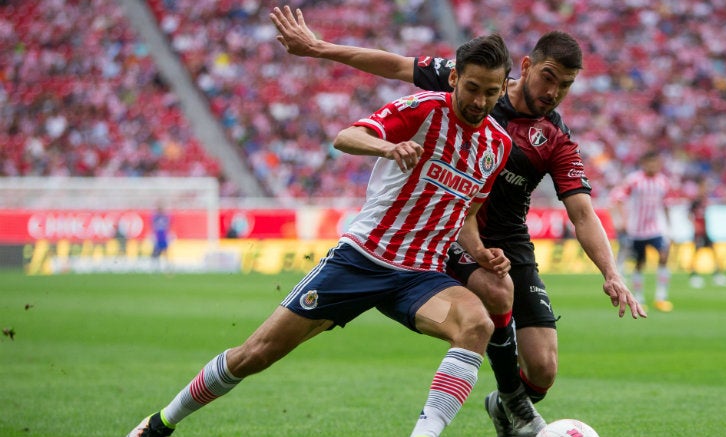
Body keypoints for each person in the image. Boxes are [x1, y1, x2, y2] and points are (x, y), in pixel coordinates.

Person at [270, 6, 646, 437]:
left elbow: (582, 213)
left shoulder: (556, 140)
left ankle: (508, 402)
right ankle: (515, 406)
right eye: (548, 77)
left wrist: (611, 272)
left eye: (566, 85)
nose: (554, 91)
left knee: (543, 368)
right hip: (449, 229)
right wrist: (318, 47)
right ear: (525, 67)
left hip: (508, 237)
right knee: (494, 289)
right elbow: (394, 64)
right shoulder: (476, 81)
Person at [128, 33, 514, 437]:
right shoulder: (422, 110)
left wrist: (481, 251)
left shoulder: (497, 144)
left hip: (421, 277)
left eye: (490, 92)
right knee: (256, 354)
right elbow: (345, 136)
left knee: (477, 325)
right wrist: (387, 148)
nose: (479, 101)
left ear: (502, 88)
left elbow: (465, 211)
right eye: (471, 88)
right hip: (362, 260)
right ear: (453, 78)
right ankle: (160, 422)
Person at [612, 150, 674, 312]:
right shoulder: (634, 180)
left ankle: (661, 297)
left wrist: (669, 228)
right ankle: (639, 297)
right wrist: (624, 220)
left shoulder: (663, 182)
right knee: (640, 263)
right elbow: (618, 199)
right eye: (650, 163)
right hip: (637, 230)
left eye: (656, 163)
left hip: (655, 229)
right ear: (644, 164)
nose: (653, 166)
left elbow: (666, 205)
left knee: (663, 255)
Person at [688, 176, 726, 288]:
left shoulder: (704, 201)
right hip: (698, 232)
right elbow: (689, 215)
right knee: (697, 253)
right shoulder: (695, 202)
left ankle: (717, 274)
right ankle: (694, 275)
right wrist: (695, 226)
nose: (705, 189)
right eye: (703, 187)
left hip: (705, 231)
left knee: (712, 251)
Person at [150, 205, 171, 270]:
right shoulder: (155, 217)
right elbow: (153, 227)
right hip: (158, 238)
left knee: (165, 253)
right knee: (156, 253)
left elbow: (168, 227)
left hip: (163, 238)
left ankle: (167, 266)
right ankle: (156, 267)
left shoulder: (165, 217)